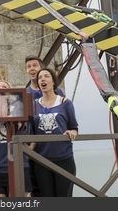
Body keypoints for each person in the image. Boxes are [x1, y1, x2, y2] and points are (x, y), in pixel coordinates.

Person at [27, 68, 79, 197]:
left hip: (63, 158)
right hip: (41, 159)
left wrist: (72, 132)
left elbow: (74, 127)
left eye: (46, 76)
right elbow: (31, 132)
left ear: (53, 82)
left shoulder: (65, 103)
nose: (42, 79)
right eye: (40, 78)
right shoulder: (33, 105)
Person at [24, 55, 65, 196]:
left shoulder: (58, 93)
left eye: (35, 65)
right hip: (34, 151)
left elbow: (65, 117)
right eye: (29, 67)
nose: (32, 69)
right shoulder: (25, 94)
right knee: (37, 189)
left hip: (56, 150)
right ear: (26, 71)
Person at [0, 80, 32, 197]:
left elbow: (20, 130)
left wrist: (11, 107)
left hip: (18, 167)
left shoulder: (19, 110)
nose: (1, 89)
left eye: (4, 87)